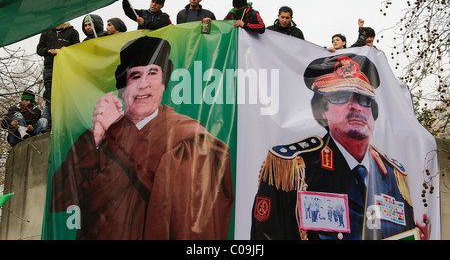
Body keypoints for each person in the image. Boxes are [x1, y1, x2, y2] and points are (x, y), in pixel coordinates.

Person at [50, 36, 234, 240]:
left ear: (164, 84)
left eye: (153, 73)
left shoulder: (187, 136)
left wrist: (120, 132)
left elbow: (187, 206)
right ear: (123, 87)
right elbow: (59, 199)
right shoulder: (100, 133)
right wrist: (93, 139)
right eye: (135, 76)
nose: (143, 85)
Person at [251, 54, 430, 240]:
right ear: (321, 110)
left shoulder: (393, 176)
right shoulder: (295, 168)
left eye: (364, 100)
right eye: (341, 97)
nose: (356, 107)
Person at [36, 22, 80, 127]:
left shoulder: (72, 32)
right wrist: (48, 50)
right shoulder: (46, 32)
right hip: (49, 67)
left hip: (66, 68)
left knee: (65, 94)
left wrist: (66, 50)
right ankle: (49, 124)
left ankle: (67, 121)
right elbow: (39, 49)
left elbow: (78, 49)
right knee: (50, 96)